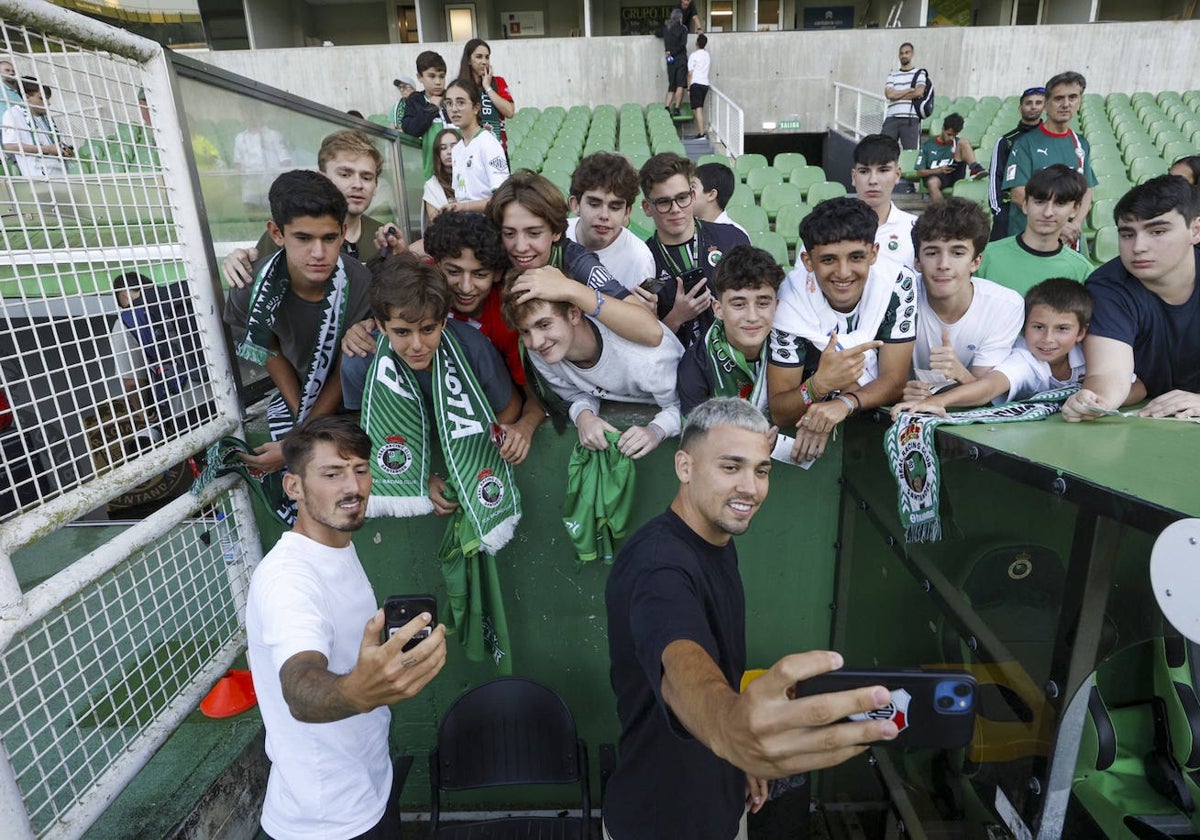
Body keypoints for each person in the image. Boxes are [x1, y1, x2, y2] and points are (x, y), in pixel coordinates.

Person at [603, 397, 899, 840]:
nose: (751, 488)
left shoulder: (713, 536)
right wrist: (730, 727)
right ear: (684, 467)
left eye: (761, 470)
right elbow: (679, 660)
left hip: (721, 795)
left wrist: (738, 756)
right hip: (663, 819)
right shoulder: (659, 566)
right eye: (730, 467)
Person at [246, 414, 447, 840]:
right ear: (294, 487)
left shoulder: (333, 547)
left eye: (360, 470)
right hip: (328, 823)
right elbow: (299, 686)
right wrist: (358, 690)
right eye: (332, 474)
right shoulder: (289, 579)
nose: (352, 487)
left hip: (367, 789)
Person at [340, 211, 544, 464]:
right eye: (454, 271)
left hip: (481, 409)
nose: (466, 287)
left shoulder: (505, 320)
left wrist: (524, 426)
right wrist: (361, 327)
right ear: (435, 264)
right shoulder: (421, 286)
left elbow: (532, 395)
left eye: (479, 274)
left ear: (497, 274)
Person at [223, 170, 373, 473]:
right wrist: (302, 422)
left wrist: (300, 437)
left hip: (357, 399)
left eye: (329, 238)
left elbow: (350, 363)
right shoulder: (251, 287)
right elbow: (267, 347)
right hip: (300, 396)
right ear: (277, 233)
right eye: (303, 238)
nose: (318, 253)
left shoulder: (360, 283)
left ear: (343, 231)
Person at [767, 197, 917, 462]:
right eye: (828, 260)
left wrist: (841, 404)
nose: (843, 272)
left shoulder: (898, 282)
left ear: (874, 253)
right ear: (807, 261)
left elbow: (894, 382)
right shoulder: (789, 299)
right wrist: (819, 386)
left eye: (856, 257)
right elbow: (780, 411)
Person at [1063, 175, 1200, 422]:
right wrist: (1094, 401)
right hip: (1147, 418)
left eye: (1157, 231)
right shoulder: (1108, 287)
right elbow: (1109, 373)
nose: (1138, 247)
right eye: (1127, 234)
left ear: (1195, 230)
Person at [501, 289, 684, 460]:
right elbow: (573, 394)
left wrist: (656, 431)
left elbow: (687, 405)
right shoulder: (540, 352)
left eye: (544, 324)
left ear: (574, 314)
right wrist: (584, 416)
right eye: (525, 331)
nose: (536, 341)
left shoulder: (646, 359)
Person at [490, 170, 664, 348]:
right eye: (509, 233)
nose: (520, 246)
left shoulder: (577, 260)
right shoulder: (493, 251)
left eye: (534, 233)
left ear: (556, 232)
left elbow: (652, 332)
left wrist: (570, 289)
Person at [892, 277, 1092, 414]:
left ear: (1081, 333)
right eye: (1038, 327)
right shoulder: (1023, 360)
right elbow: (988, 387)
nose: (1048, 338)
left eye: (1062, 329)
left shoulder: (1092, 354)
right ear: (1023, 328)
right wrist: (936, 402)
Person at [224, 130, 389, 287]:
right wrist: (240, 262)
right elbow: (255, 276)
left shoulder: (382, 238)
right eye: (345, 174)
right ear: (322, 179)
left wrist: (401, 259)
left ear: (376, 186)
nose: (358, 185)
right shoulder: (289, 229)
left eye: (367, 177)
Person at [902, 197, 1024, 402]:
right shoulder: (899, 297)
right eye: (932, 253)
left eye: (957, 253)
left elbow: (986, 393)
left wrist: (960, 373)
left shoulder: (1005, 305)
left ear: (976, 261)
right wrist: (902, 391)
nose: (944, 264)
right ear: (917, 261)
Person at [639, 152, 751, 347]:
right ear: (647, 207)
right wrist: (676, 317)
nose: (675, 209)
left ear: (692, 196)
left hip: (737, 361)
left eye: (682, 198)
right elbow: (645, 341)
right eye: (664, 202)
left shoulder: (732, 238)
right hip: (679, 369)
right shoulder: (643, 259)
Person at [677, 245, 783, 416]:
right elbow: (696, 436)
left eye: (763, 303)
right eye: (739, 304)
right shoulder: (696, 365)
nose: (752, 316)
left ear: (776, 306)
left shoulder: (795, 347)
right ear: (718, 309)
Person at [1001, 71, 1097, 244]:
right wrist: (1059, 226)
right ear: (1046, 104)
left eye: (1073, 97)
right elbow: (1017, 194)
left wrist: (1075, 223)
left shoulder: (1081, 144)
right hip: (1030, 240)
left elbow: (1087, 190)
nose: (1066, 104)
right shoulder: (1025, 143)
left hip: (1069, 239)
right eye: (1059, 98)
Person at [977, 164, 1093, 294]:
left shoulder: (1083, 271)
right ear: (1025, 204)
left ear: (1074, 209)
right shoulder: (985, 257)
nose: (1048, 212)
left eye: (1060, 204)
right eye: (1039, 202)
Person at [566, 151, 657, 291]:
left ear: (627, 212)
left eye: (615, 207)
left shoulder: (640, 259)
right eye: (594, 204)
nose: (604, 215)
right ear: (575, 204)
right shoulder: (554, 237)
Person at [849, 133, 917, 270]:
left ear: (897, 175)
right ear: (854, 177)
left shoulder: (916, 229)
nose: (873, 180)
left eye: (883, 170)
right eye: (864, 171)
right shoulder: (827, 227)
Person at [444, 78, 509, 214]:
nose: (454, 109)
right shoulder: (457, 149)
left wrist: (464, 207)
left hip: (486, 227)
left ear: (476, 108)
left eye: (460, 102)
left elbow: (503, 199)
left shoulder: (488, 143)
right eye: (449, 103)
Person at [989, 86, 1046, 241]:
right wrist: (998, 210)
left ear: (1045, 106)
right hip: (1009, 210)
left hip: (1043, 211)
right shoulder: (1006, 141)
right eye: (1028, 103)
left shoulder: (1049, 140)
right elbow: (995, 176)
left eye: (1038, 102)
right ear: (1020, 108)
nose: (1033, 106)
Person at [1, 76, 73, 178]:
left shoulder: (47, 118)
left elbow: (59, 145)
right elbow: (9, 146)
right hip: (39, 179)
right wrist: (48, 149)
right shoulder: (13, 113)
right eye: (42, 98)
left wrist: (66, 151)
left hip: (62, 175)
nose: (48, 103)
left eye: (47, 99)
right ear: (26, 97)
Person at [914, 113, 987, 202]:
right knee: (932, 182)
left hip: (954, 171)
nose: (951, 138)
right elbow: (919, 172)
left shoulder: (957, 142)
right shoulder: (928, 145)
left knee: (964, 141)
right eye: (949, 134)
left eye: (954, 135)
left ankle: (975, 168)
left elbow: (960, 147)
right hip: (938, 175)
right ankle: (942, 212)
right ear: (942, 128)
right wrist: (939, 170)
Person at [399, 50, 448, 181]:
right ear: (420, 77)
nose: (438, 82)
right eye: (431, 76)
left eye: (442, 76)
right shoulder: (415, 101)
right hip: (431, 175)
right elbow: (410, 130)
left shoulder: (453, 98)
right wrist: (432, 108)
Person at [458, 39, 514, 151]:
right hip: (470, 148)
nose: (484, 61)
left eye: (487, 57)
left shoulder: (498, 82)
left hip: (498, 148)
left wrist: (488, 88)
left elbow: (510, 112)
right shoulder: (459, 86)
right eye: (479, 57)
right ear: (468, 60)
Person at [232, 112, 292, 215]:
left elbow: (285, 161)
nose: (251, 117)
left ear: (261, 115)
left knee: (272, 216)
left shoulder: (274, 135)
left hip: (271, 184)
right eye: (248, 113)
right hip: (250, 186)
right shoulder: (240, 138)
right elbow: (237, 163)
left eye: (254, 113)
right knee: (252, 216)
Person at [881, 42, 926, 151]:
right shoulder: (892, 74)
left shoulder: (919, 73)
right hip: (892, 118)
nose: (904, 55)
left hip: (910, 118)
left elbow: (919, 92)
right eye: (901, 53)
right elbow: (889, 94)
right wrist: (908, 90)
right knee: (883, 151)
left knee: (910, 153)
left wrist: (897, 95)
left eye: (907, 52)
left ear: (912, 54)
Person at [693, 161, 747, 235]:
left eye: (693, 186)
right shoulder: (685, 229)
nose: (687, 192)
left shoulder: (736, 235)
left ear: (711, 195)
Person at [423, 127, 458, 225]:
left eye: (454, 146)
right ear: (438, 153)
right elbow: (435, 222)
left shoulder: (472, 177)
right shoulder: (431, 186)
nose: (449, 152)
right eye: (443, 148)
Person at [662, 8, 688, 116]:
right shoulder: (683, 29)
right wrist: (674, 52)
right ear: (680, 18)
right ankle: (676, 108)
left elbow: (656, 32)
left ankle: (667, 107)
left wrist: (669, 51)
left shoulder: (666, 29)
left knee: (672, 85)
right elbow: (683, 45)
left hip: (670, 60)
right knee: (680, 84)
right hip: (680, 59)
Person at [686, 33, 711, 140]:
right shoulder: (707, 55)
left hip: (696, 84)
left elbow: (690, 73)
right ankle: (702, 131)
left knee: (698, 109)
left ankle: (702, 133)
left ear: (697, 43)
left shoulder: (694, 56)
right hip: (705, 84)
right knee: (697, 108)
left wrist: (688, 87)